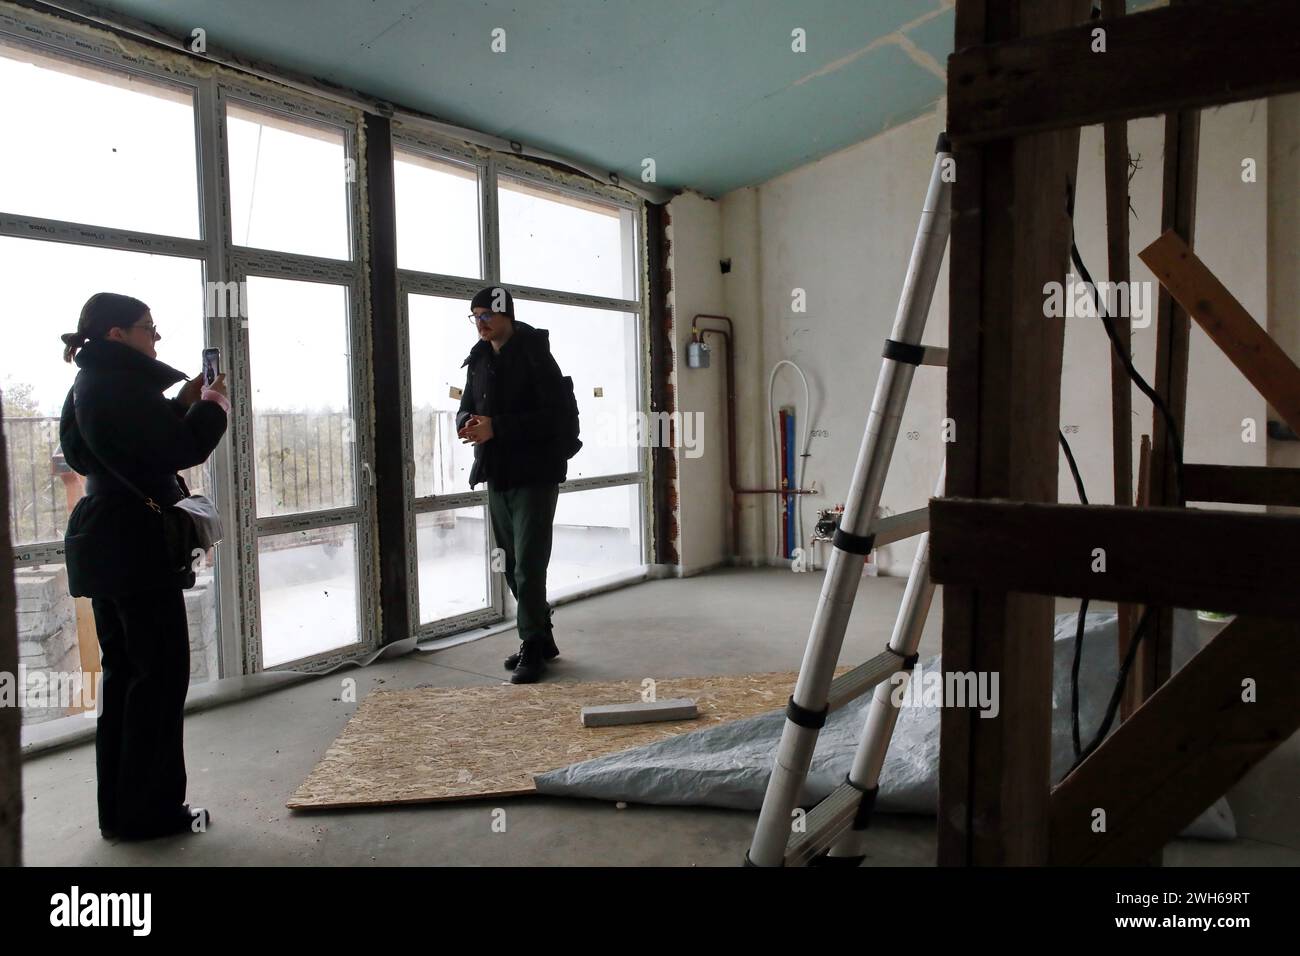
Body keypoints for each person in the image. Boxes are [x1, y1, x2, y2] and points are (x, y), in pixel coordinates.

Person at [58, 292, 230, 840]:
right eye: (148, 329)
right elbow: (178, 449)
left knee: (127, 678)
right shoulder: (119, 384)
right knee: (157, 679)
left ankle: (124, 812)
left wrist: (177, 405)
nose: (156, 339)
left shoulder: (87, 384)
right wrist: (210, 409)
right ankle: (154, 813)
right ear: (117, 335)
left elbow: (114, 451)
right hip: (135, 546)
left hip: (104, 538)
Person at [457, 286, 573, 684]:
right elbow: (467, 405)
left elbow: (554, 417)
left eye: (487, 315)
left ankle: (531, 644)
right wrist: (467, 423)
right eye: (475, 317)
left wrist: (497, 427)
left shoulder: (535, 356)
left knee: (528, 565)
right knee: (509, 563)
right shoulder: (479, 360)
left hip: (534, 475)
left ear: (506, 313)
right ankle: (541, 638)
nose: (481, 324)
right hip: (497, 473)